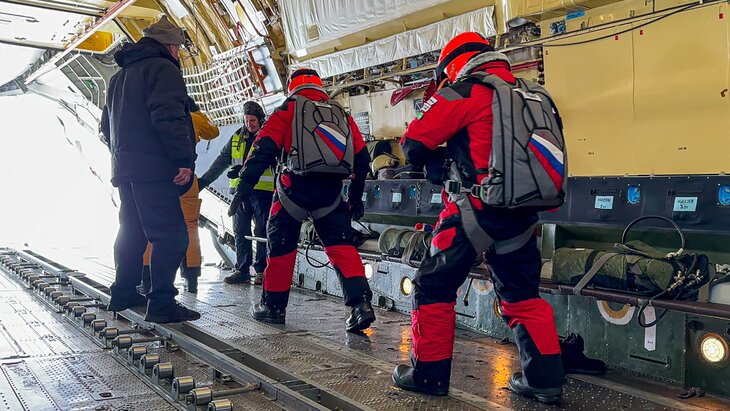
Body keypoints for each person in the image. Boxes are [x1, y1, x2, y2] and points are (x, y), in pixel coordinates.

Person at [391, 32, 565, 403]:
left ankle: (429, 376)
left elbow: (413, 144)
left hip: (473, 211)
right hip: (522, 214)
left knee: (433, 287)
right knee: (523, 297)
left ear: (451, 66)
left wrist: (438, 163)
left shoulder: (465, 90)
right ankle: (544, 381)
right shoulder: (531, 93)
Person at [228, 68, 376, 333]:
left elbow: (262, 149)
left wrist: (243, 188)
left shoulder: (288, 109)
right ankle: (361, 305)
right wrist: (354, 199)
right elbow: (363, 160)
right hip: (331, 192)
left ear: (291, 87)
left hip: (292, 189)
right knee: (342, 247)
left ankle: (273, 307)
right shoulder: (341, 114)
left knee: (282, 247)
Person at [100, 15, 200, 323]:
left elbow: (105, 126)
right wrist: (183, 159)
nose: (179, 54)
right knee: (171, 235)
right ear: (170, 46)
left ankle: (124, 291)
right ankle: (162, 303)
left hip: (126, 169)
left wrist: (125, 157)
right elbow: (168, 116)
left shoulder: (119, 77)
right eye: (178, 49)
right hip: (155, 168)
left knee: (132, 231)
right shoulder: (163, 69)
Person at [139, 98, 219, 294]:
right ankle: (191, 279)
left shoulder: (153, 117)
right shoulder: (193, 118)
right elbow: (213, 132)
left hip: (159, 179)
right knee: (190, 227)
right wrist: (197, 111)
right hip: (187, 178)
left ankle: (148, 279)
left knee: (152, 226)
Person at [197, 102, 274, 285]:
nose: (249, 124)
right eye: (246, 120)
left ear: (260, 119)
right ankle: (242, 270)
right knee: (240, 231)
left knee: (262, 231)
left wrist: (243, 170)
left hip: (262, 191)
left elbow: (272, 161)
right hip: (240, 193)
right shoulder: (237, 138)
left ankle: (262, 271)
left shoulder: (268, 137)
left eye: (252, 120)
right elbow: (221, 162)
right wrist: (203, 182)